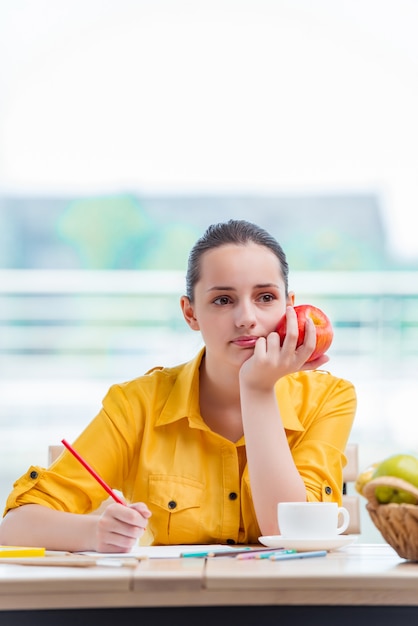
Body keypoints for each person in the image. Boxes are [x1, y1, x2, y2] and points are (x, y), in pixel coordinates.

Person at [0, 219, 356, 552]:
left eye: (265, 297)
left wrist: (258, 391)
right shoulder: (137, 403)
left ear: (289, 307)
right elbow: (13, 528)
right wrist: (95, 533)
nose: (247, 318)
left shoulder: (330, 398)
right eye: (223, 300)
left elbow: (294, 534)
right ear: (191, 313)